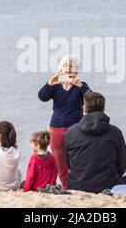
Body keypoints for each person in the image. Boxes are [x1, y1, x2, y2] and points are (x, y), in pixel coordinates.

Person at [64, 91, 126, 193]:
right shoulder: (115, 132)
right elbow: (122, 164)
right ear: (103, 109)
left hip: (77, 185)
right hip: (108, 185)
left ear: (84, 109)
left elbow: (69, 163)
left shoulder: (71, 132)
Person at [38, 55, 91, 189]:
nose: (68, 68)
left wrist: (80, 86)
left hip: (76, 128)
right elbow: (42, 97)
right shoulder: (55, 85)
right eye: (65, 65)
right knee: (60, 163)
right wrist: (49, 83)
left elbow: (92, 100)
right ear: (60, 70)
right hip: (56, 128)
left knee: (77, 161)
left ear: (76, 71)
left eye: (71, 66)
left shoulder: (81, 86)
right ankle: (67, 189)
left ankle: (80, 186)